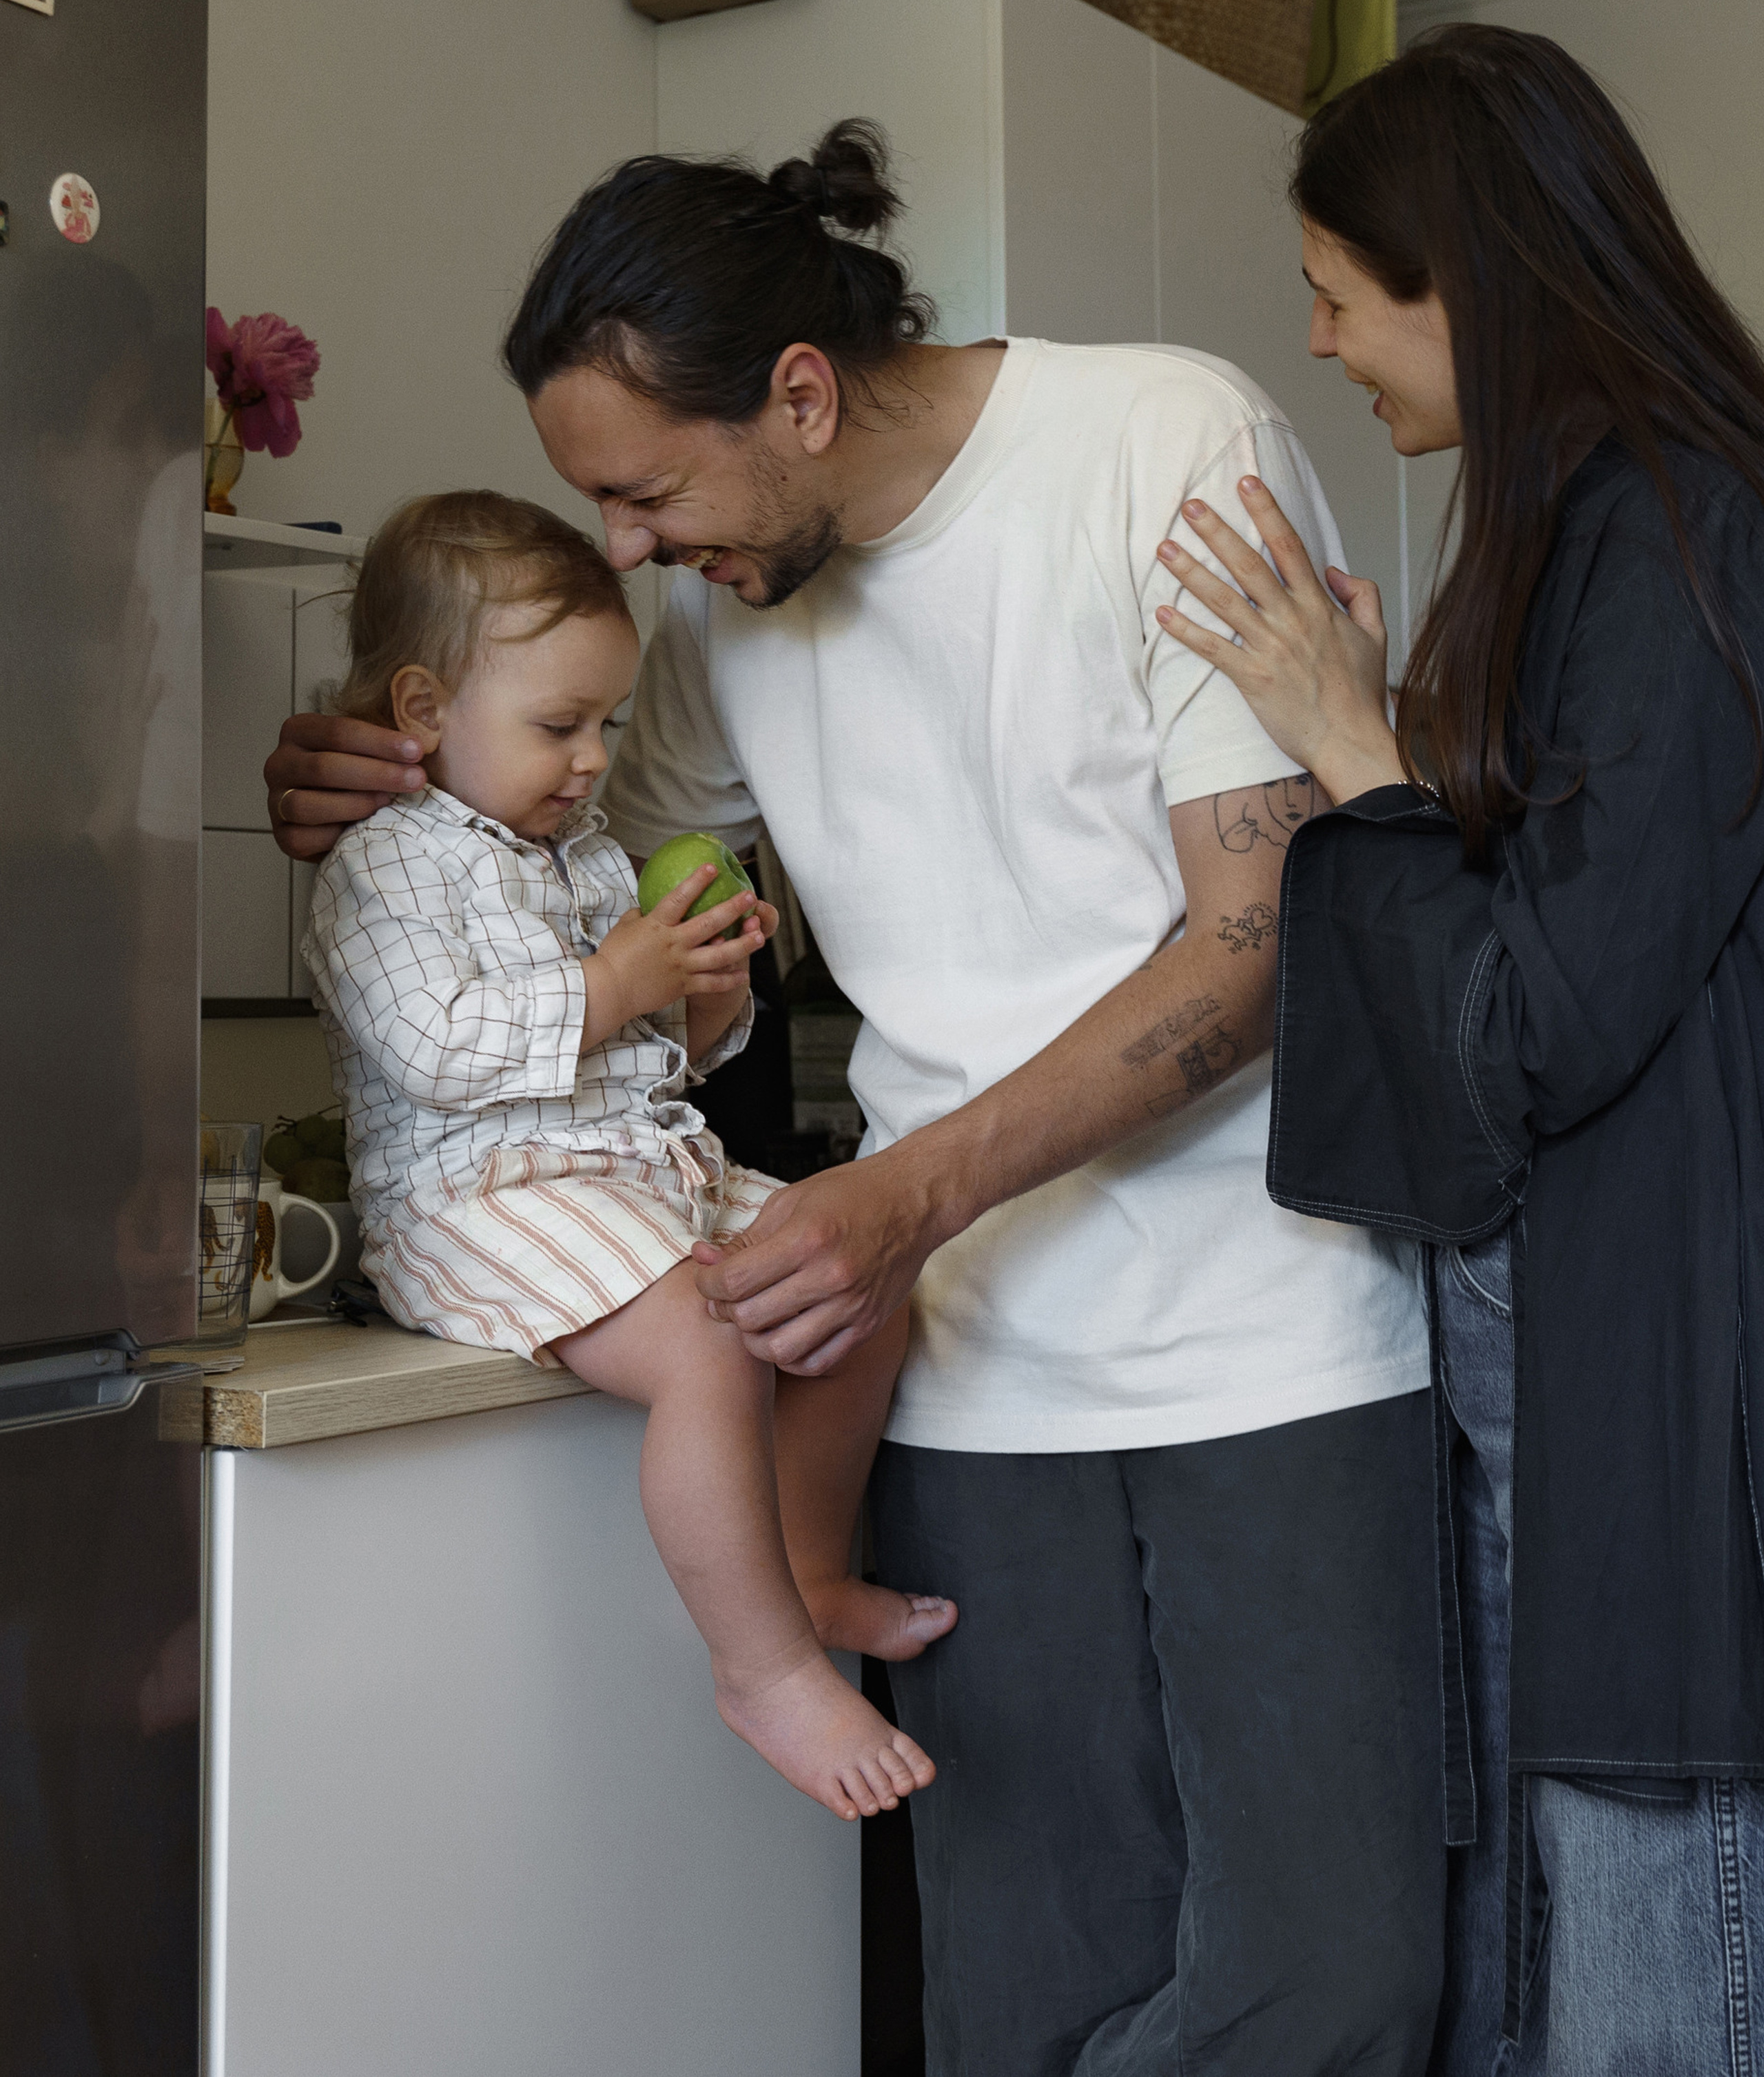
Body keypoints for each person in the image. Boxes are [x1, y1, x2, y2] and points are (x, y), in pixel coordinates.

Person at [270, 123, 1443, 2075]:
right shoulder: (724, 609)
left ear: (800, 397)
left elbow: (1257, 943)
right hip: (960, 1388)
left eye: (646, 493)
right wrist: (362, 779)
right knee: (1020, 2002)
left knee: (1336, 1979)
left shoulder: (1159, 443)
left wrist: (906, 1199)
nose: (627, 550)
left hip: (1273, 1348)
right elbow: (569, 838)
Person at [1156, 25, 1764, 2072]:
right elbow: (1587, 894)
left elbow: (1545, 1018)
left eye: (1338, 293)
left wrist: (1349, 745)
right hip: (1573, 1403)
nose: (1317, 341)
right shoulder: (1595, 522)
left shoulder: (1681, 523)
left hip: (1658, 1429)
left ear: (1468, 281)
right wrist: (1395, 742)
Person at [301, 487, 955, 1825]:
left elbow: (653, 1062)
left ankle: (810, 1570)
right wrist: (614, 985)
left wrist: (704, 996)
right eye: (559, 727)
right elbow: (436, 1047)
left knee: (852, 1271)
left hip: (630, 1177)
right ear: (424, 708)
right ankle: (761, 1668)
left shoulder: (588, 856)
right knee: (707, 1347)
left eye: (606, 722)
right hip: (474, 1198)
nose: (594, 759)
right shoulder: (385, 864)